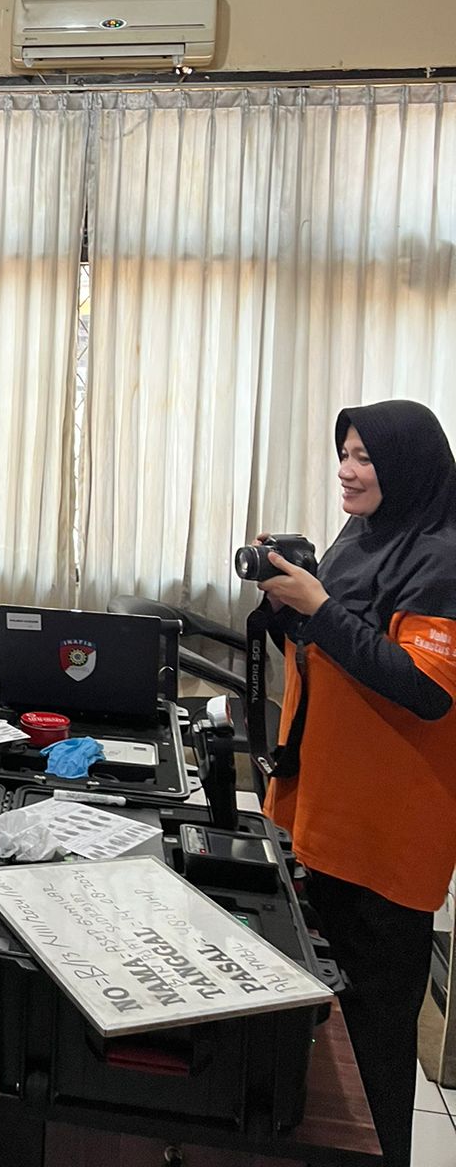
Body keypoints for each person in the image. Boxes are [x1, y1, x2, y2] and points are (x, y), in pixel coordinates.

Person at [253, 399, 456, 1167]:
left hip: (387, 834)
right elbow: (326, 643)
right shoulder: (359, 535)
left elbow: (425, 689)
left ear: (407, 466)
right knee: (329, 1018)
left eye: (365, 456)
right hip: (324, 809)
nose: (346, 469)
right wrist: (288, 603)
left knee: (376, 1032)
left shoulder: (441, 559)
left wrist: (320, 605)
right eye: (343, 452)